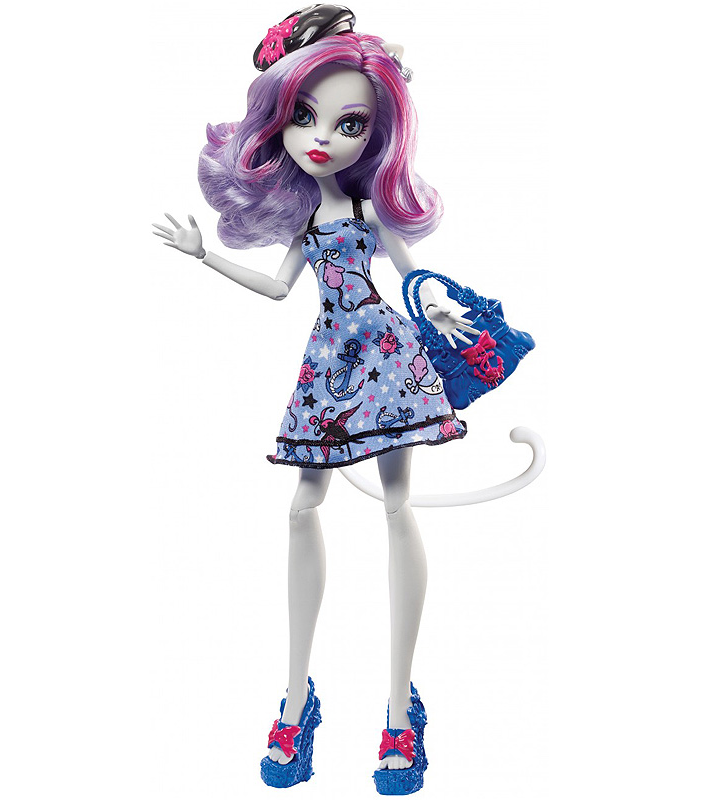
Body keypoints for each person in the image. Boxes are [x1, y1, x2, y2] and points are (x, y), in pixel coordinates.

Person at [153, 6, 486, 794]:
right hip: (330, 359)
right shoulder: (305, 221)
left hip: (386, 356)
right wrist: (203, 258)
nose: (322, 138)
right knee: (303, 507)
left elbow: (410, 274)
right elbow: (278, 290)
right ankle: (296, 698)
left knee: (396, 506)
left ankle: (400, 710)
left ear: (378, 132)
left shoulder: (368, 212)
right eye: (304, 117)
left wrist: (440, 310)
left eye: (349, 123)